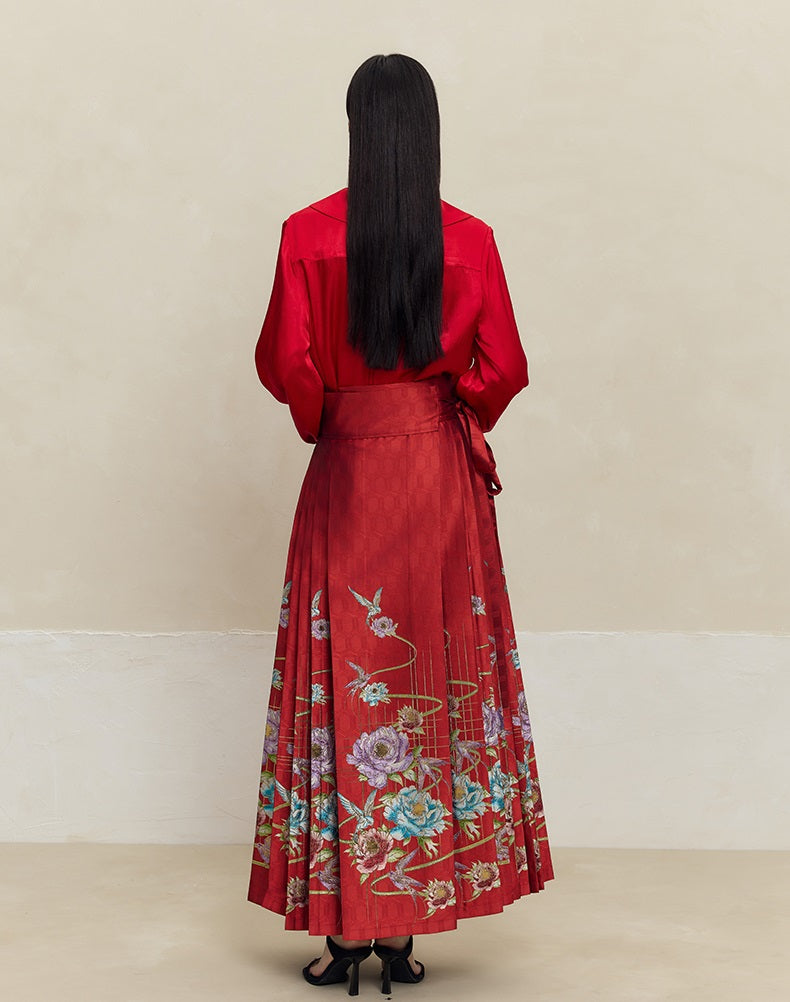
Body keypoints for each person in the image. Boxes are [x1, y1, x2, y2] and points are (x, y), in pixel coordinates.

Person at [247, 53, 555, 995]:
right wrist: (442, 408)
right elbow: (503, 366)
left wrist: (335, 419)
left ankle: (345, 932)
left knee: (345, 680)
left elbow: (288, 366)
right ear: (427, 131)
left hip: (350, 471)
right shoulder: (470, 240)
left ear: (355, 127)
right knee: (433, 681)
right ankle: (407, 929)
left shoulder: (306, 235)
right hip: (436, 477)